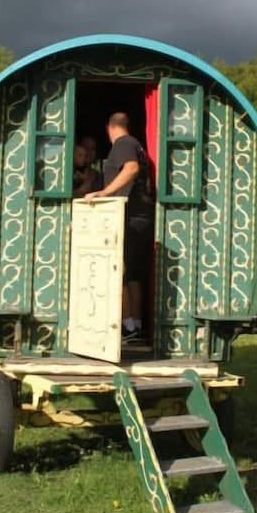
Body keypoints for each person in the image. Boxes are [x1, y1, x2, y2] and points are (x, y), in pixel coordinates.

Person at [85, 112, 154, 342]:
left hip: (129, 216)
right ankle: (135, 326)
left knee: (119, 271)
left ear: (109, 127)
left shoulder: (124, 144)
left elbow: (131, 169)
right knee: (133, 273)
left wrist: (105, 192)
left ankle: (125, 326)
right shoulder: (137, 145)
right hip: (140, 217)